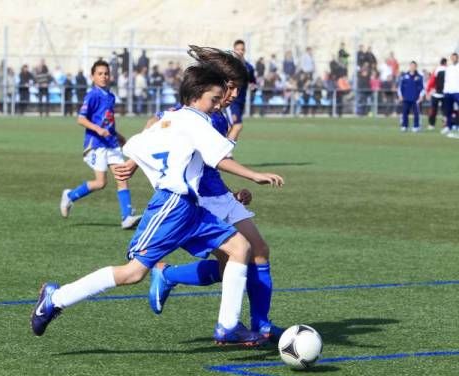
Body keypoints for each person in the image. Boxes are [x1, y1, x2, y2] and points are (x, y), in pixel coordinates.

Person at [31, 62, 284, 344]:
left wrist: (133, 163)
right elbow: (218, 158)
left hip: (192, 206)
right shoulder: (194, 120)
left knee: (242, 248)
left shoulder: (174, 120)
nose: (218, 104)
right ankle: (56, 297)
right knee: (133, 273)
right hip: (172, 206)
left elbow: (141, 142)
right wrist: (255, 175)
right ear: (198, 94)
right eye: (215, 98)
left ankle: (228, 326)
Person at [142, 46, 286, 342]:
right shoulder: (198, 112)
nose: (233, 94)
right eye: (231, 87)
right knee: (237, 258)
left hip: (219, 194)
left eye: (238, 89)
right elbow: (155, 124)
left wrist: (233, 192)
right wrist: (130, 162)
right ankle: (176, 283)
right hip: (200, 199)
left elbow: (210, 162)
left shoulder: (220, 116)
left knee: (256, 252)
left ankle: (261, 324)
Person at [59, 60, 141, 229]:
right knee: (100, 183)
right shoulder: (92, 95)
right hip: (96, 144)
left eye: (106, 73)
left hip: (111, 143)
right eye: (100, 74)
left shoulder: (110, 96)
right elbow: (81, 119)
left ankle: (126, 217)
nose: (104, 76)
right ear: (93, 76)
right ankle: (70, 196)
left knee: (122, 177)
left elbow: (108, 121)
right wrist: (97, 129)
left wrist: (118, 136)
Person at [227, 39, 256, 141]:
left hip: (241, 101)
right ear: (234, 50)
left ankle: (224, 150)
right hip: (230, 101)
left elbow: (253, 81)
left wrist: (253, 86)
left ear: (245, 51)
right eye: (237, 49)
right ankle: (225, 152)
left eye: (242, 49)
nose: (240, 51)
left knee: (232, 126)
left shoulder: (249, 67)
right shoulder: (229, 66)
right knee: (237, 125)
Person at [397, 61, 424, 132]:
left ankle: (416, 126)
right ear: (409, 66)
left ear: (416, 67)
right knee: (405, 112)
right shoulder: (404, 76)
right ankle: (404, 126)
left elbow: (422, 88)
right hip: (406, 98)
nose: (412, 67)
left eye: (414, 66)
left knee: (416, 113)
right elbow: (400, 87)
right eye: (411, 66)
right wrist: (400, 96)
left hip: (415, 98)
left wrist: (421, 96)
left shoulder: (419, 77)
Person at [426, 58, 446, 130]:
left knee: (433, 110)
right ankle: (445, 125)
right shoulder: (448, 69)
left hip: (436, 93)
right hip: (445, 93)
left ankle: (431, 125)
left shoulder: (436, 70)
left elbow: (432, 81)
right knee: (445, 110)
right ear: (445, 63)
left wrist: (428, 91)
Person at [441, 53, 459, 135]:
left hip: (457, 91)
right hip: (448, 91)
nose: (454, 59)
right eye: (452, 58)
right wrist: (445, 91)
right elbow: (446, 80)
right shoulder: (448, 68)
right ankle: (448, 126)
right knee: (448, 110)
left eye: (455, 57)